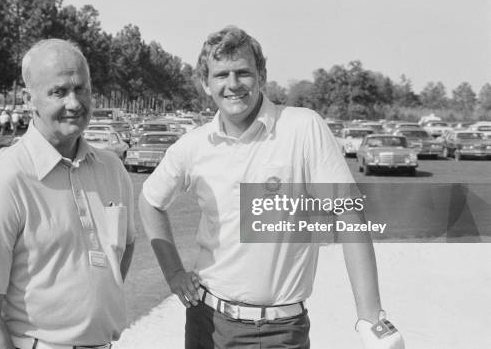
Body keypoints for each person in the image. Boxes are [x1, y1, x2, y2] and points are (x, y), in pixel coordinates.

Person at [139, 26, 404, 349]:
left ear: (261, 76)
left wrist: (371, 317)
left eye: (243, 73)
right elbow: (150, 201)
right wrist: (174, 273)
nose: (233, 84)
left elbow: (349, 215)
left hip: (282, 331)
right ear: (206, 85)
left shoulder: (302, 127)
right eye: (221, 75)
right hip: (207, 324)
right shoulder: (193, 146)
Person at [0, 39, 136, 349]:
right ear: (30, 99)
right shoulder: (6, 179)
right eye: (58, 92)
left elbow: (124, 247)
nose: (74, 103)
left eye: (81, 89)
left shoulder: (112, 168)